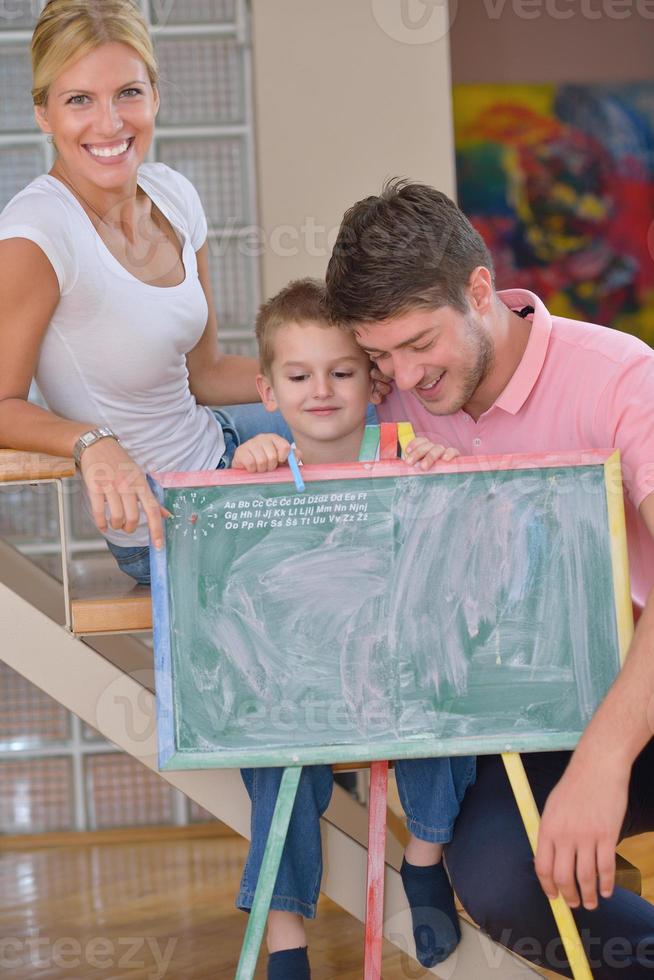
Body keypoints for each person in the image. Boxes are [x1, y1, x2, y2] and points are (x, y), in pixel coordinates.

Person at [325, 179, 654, 978]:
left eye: (418, 343)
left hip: (638, 685)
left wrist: (603, 762)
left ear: (479, 290)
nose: (403, 373)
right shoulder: (394, 398)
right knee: (507, 877)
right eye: (379, 355)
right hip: (531, 711)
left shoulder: (619, 376)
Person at [230, 277, 475, 980]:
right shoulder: (267, 467)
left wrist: (446, 475)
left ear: (373, 382)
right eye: (299, 375)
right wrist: (246, 473)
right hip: (301, 685)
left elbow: (460, 555)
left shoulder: (404, 448)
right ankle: (286, 944)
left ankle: (423, 863)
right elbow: (234, 571)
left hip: (399, 669)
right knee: (273, 768)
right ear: (268, 391)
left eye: (341, 372)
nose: (322, 390)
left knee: (451, 711)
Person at [0, 0, 288, 587]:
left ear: (155, 95)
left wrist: (335, 374)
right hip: (169, 518)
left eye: (128, 93)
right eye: (79, 99)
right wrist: (91, 442)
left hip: (227, 447)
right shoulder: (36, 233)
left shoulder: (173, 195)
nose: (110, 124)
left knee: (384, 407)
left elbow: (205, 375)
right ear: (43, 113)